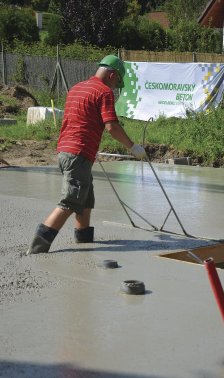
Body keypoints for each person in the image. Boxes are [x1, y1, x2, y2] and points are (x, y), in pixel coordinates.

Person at [26, 54, 146, 255]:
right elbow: (111, 127)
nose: (115, 86)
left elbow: (80, 120)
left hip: (66, 151)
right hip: (78, 153)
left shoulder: (76, 88)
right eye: (117, 81)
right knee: (70, 201)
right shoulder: (104, 92)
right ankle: (38, 247)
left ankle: (83, 240)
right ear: (111, 74)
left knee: (85, 198)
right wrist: (132, 147)